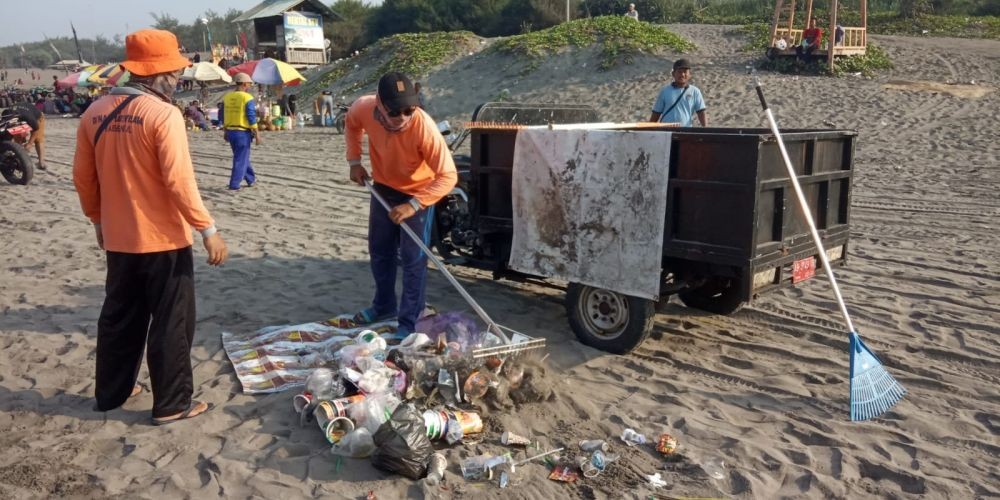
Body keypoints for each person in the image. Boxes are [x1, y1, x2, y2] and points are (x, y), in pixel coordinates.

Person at [72, 29, 227, 425]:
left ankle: (112, 392)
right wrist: (207, 229)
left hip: (119, 237)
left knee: (119, 316)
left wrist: (97, 220)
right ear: (159, 75)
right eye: (174, 72)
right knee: (171, 321)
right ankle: (173, 403)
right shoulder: (164, 114)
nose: (177, 80)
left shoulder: (94, 112)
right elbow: (179, 182)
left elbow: (83, 177)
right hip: (163, 239)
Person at [342, 72, 457, 335]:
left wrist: (414, 205)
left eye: (409, 110)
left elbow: (448, 175)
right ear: (380, 105)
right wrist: (354, 161)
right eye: (396, 112)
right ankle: (383, 306)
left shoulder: (424, 128)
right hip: (383, 187)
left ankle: (409, 321)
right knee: (380, 250)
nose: (403, 117)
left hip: (419, 193)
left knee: (413, 259)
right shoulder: (363, 107)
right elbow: (351, 124)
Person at [219, 72, 260, 190]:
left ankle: (251, 179)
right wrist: (257, 133)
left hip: (231, 131)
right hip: (242, 132)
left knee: (241, 157)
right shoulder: (247, 98)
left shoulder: (227, 97)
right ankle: (234, 184)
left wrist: (225, 131)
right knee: (240, 159)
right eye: (249, 84)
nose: (250, 86)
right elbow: (251, 116)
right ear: (244, 84)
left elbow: (222, 115)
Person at [649, 58, 707, 127]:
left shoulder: (695, 91)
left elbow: (701, 112)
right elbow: (656, 113)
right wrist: (649, 129)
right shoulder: (665, 91)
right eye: (679, 72)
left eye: (685, 72)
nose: (682, 74)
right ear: (673, 74)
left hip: (686, 131)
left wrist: (705, 128)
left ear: (689, 75)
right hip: (666, 131)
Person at [1, 99, 47, 170]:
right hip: (20, 116)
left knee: (38, 139)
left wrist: (30, 144)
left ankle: (41, 162)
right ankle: (20, 156)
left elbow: (36, 129)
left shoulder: (28, 117)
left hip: (37, 117)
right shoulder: (5, 116)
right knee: (18, 137)